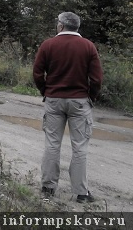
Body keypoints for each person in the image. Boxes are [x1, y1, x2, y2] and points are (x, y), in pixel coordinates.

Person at [33, 12, 103, 203]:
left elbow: (38, 73)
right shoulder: (88, 46)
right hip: (80, 101)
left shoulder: (48, 45)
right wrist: (91, 97)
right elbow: (96, 78)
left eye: (58, 23)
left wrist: (45, 91)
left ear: (62, 26)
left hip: (54, 100)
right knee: (79, 147)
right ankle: (81, 193)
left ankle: (48, 188)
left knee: (52, 144)